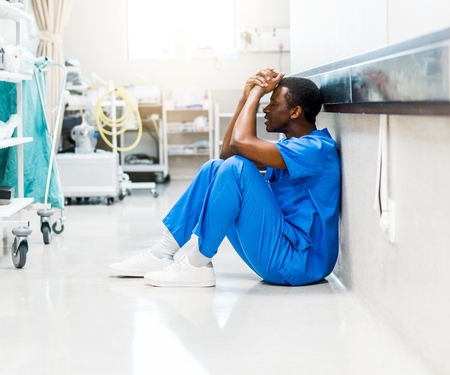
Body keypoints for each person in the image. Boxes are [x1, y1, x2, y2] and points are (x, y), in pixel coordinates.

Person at [109, 68, 341, 287]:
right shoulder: (290, 146)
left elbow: (239, 146)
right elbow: (228, 153)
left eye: (272, 104)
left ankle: (197, 264)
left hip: (298, 262)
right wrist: (244, 99)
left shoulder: (317, 149)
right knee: (215, 167)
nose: (266, 110)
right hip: (281, 247)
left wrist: (257, 92)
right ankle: (163, 251)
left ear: (295, 111)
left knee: (237, 168)